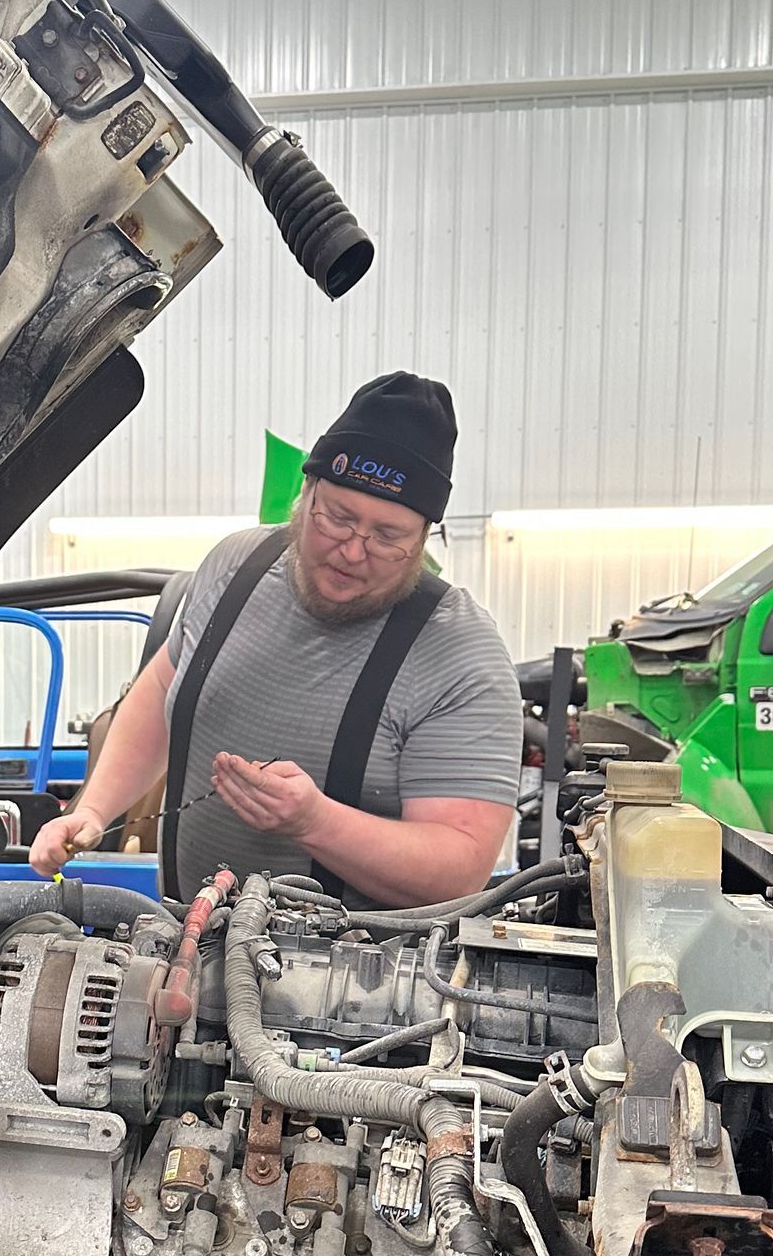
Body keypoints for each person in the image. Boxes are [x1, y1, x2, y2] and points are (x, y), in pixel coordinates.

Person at [27, 372, 523, 906]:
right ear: (305, 494)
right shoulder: (233, 568)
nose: (353, 552)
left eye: (387, 537)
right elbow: (161, 694)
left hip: (352, 979)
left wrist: (316, 822)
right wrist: (93, 811)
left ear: (425, 536)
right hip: (176, 941)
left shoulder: (459, 653)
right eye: (337, 518)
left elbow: (461, 866)